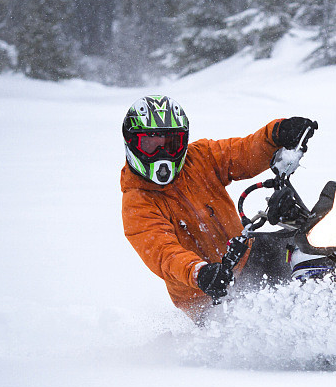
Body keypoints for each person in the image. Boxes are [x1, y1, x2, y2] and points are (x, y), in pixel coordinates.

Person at [120, 94, 317, 321]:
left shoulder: (199, 157)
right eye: (151, 144)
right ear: (132, 144)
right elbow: (163, 253)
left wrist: (276, 133)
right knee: (264, 327)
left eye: (171, 144)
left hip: (245, 253)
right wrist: (199, 272)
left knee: (311, 247)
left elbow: (243, 152)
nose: (162, 154)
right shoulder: (137, 203)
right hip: (206, 293)